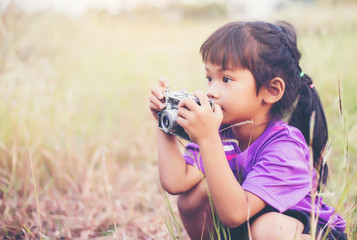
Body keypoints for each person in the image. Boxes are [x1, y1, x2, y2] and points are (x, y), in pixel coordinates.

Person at [149, 21, 347, 240]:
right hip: (252, 226)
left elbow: (235, 214)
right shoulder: (221, 132)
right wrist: (165, 121)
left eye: (226, 79)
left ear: (271, 90)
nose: (212, 91)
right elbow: (176, 182)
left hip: (305, 230)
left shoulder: (286, 148)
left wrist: (207, 140)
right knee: (193, 197)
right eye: (209, 78)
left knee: (268, 229)